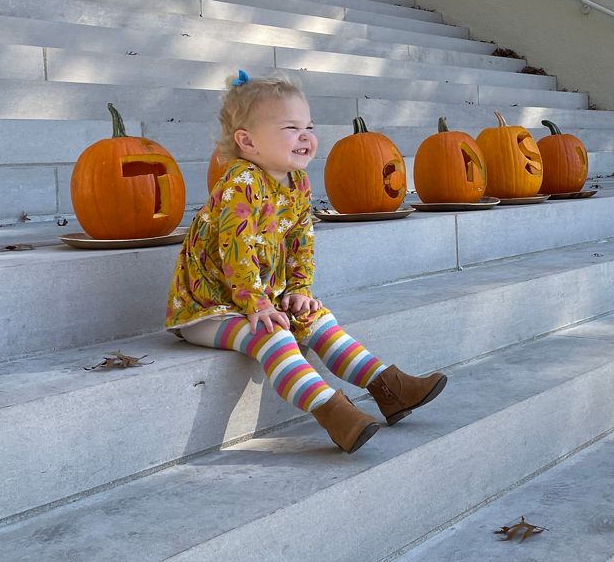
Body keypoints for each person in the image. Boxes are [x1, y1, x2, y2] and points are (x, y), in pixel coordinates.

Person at [165, 71, 447, 453]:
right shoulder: (240, 184)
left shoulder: (296, 182)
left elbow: (301, 242)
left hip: (254, 300)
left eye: (309, 126)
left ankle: (389, 388)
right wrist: (257, 303)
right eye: (290, 127)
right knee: (272, 334)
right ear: (247, 142)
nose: (305, 135)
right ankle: (333, 411)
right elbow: (236, 250)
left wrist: (298, 290)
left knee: (317, 318)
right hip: (208, 310)